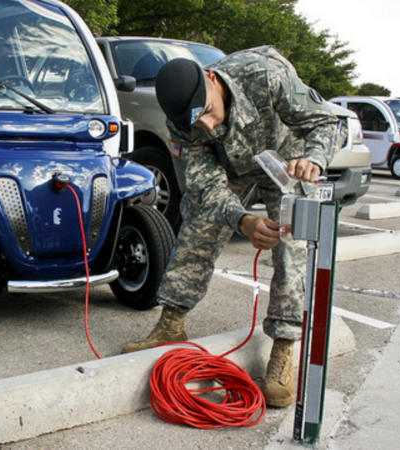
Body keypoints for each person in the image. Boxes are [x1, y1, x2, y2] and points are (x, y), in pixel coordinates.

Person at [121, 46, 344, 408]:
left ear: (211, 79)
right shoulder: (181, 121)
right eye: (196, 121)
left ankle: (284, 349)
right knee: (199, 222)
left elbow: (324, 122)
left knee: (293, 242)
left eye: (207, 111)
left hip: (287, 159)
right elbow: (206, 186)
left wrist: (314, 158)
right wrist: (243, 219)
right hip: (233, 167)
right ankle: (171, 324)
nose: (206, 125)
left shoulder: (264, 77)